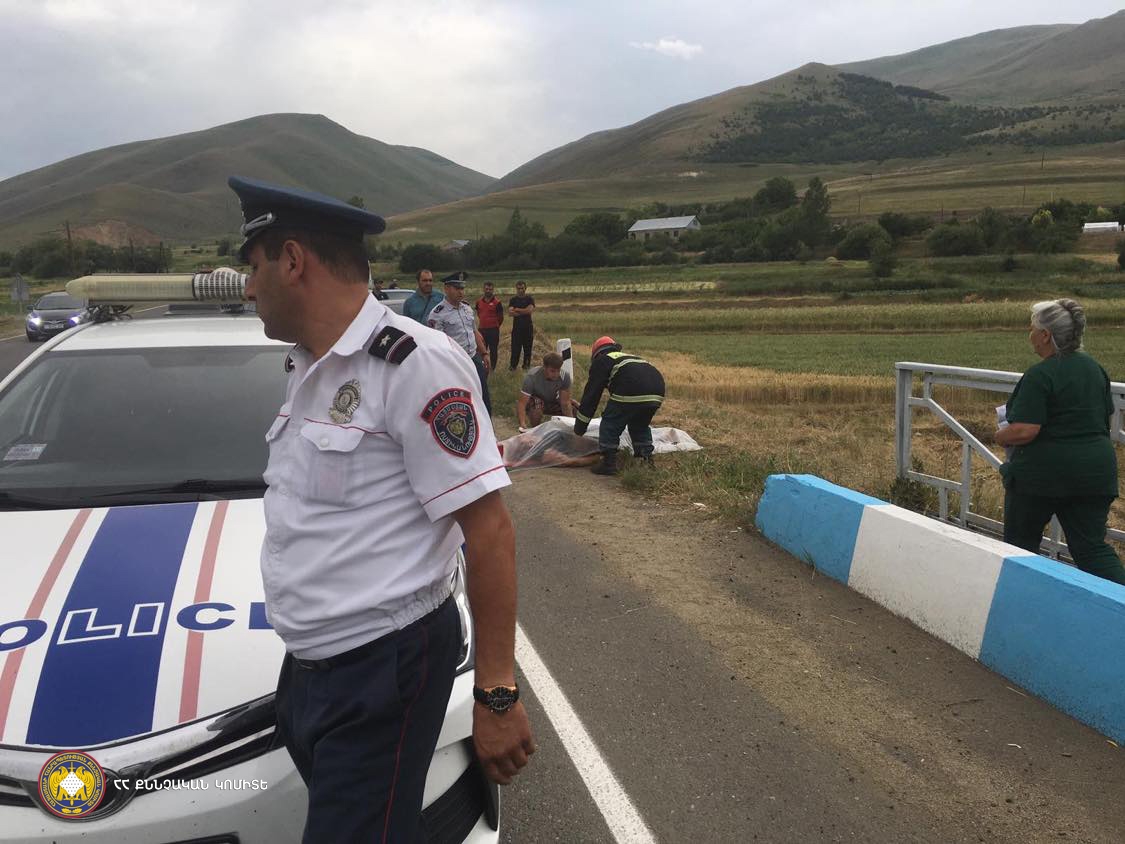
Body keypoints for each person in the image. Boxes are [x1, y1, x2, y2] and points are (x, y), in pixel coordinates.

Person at [228, 175, 533, 843]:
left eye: (252, 267)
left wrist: (496, 693)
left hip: (382, 667)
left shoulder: (414, 365)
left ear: (292, 260)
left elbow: (489, 531)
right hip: (312, 667)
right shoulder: (309, 365)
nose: (248, 288)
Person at [995, 299, 1125, 585]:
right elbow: (1103, 416)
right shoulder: (1095, 369)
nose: (1029, 334)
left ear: (1045, 335)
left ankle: (1022, 601)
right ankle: (1120, 601)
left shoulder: (1041, 374)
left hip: (1041, 477)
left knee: (1020, 546)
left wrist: (1000, 435)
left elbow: (1025, 430)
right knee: (1092, 549)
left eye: (1032, 328)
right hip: (1095, 473)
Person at [573, 336, 665, 475]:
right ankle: (646, 460)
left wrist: (579, 428)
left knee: (610, 422)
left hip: (631, 388)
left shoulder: (602, 361)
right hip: (657, 390)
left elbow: (591, 397)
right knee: (640, 425)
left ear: (597, 354)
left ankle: (608, 463)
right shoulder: (629, 357)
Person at [428, 271, 492, 414]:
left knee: (483, 396)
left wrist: (484, 353)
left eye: (462, 288)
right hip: (455, 362)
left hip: (474, 358)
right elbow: (437, 344)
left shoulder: (467, 309)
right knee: (462, 399)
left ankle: (487, 425)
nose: (461, 292)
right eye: (457, 288)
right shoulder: (437, 314)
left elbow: (474, 332)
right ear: (446, 289)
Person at [517, 352, 573, 431]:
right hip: (536, 402)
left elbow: (565, 403)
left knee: (575, 408)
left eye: (558, 370)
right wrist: (522, 424)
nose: (556, 374)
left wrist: (571, 424)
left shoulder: (564, 377)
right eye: (552, 371)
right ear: (544, 367)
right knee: (537, 406)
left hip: (553, 400)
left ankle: (566, 431)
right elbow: (522, 403)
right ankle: (536, 430)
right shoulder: (532, 377)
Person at [475, 281, 504, 373]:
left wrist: (494, 325)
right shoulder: (478, 302)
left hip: (493, 330)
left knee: (493, 350)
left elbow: (500, 318)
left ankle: (492, 369)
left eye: (490, 289)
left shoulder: (497, 302)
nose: (488, 291)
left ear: (493, 290)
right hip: (482, 330)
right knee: (481, 350)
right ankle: (482, 368)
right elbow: (479, 314)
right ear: (483, 289)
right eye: (486, 289)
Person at [508, 280, 535, 371]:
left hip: (528, 328)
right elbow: (510, 313)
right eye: (519, 288)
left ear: (525, 288)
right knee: (515, 349)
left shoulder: (529, 299)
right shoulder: (513, 300)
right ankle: (513, 367)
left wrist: (517, 309)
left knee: (528, 349)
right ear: (516, 288)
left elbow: (529, 311)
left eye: (522, 288)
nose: (520, 290)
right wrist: (524, 311)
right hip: (517, 329)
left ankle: (526, 367)